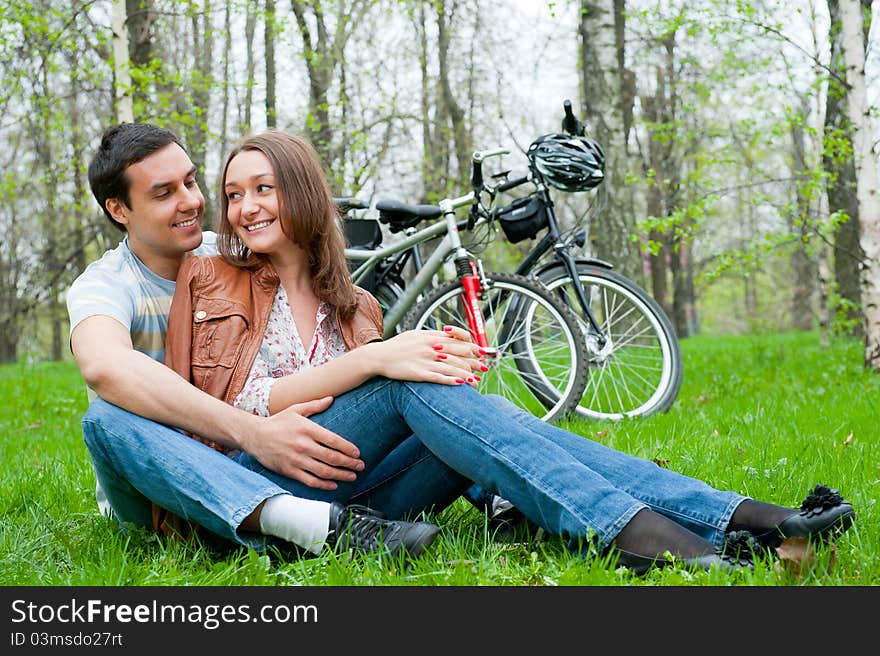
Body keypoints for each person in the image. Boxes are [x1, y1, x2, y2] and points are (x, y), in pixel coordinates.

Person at [147, 128, 854, 574]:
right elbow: (224, 407)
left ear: (301, 193)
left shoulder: (355, 305)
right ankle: (684, 531)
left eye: (262, 188)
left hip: (359, 496)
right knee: (404, 381)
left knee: (440, 392)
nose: (242, 208)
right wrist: (377, 361)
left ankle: (740, 521)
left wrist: (433, 370)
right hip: (253, 491)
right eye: (233, 193)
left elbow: (400, 408)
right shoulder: (210, 276)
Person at [67, 122, 458, 561]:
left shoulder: (228, 255)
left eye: (191, 182)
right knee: (106, 417)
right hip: (165, 481)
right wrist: (253, 433)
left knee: (425, 392)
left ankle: (314, 523)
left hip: (269, 461)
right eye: (164, 194)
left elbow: (306, 285)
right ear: (119, 210)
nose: (191, 202)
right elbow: (104, 366)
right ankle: (302, 522)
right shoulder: (104, 285)